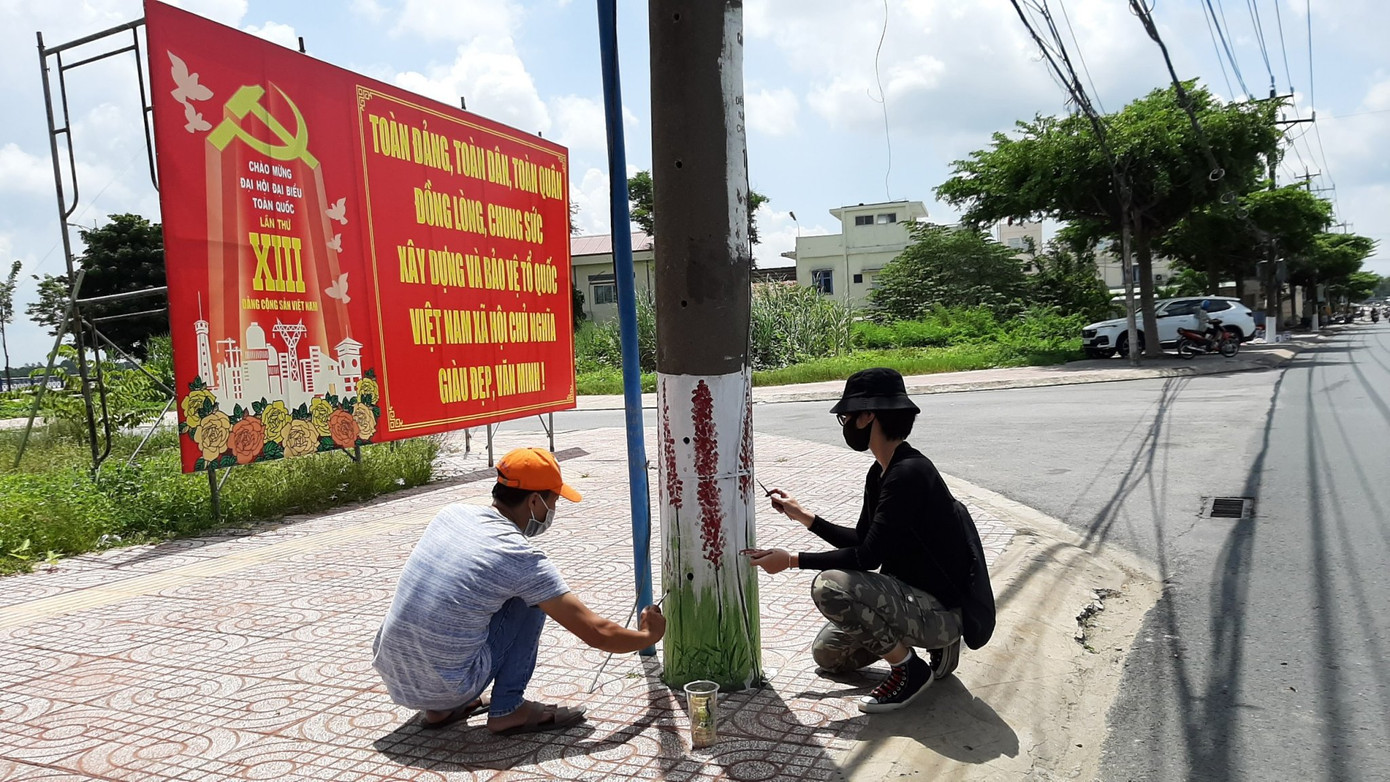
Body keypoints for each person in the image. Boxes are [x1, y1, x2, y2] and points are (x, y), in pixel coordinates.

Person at [373, 447, 666, 733]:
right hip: (449, 686)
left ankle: (439, 711)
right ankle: (509, 709)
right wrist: (648, 636)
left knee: (489, 594)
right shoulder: (518, 556)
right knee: (530, 599)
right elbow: (597, 633)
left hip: (394, 674)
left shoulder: (452, 514)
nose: (553, 511)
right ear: (535, 501)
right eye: (553, 502)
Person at [746, 368, 971, 713]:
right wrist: (804, 516)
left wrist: (791, 561)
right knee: (828, 655)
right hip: (908, 595)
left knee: (830, 587)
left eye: (847, 417)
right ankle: (920, 644)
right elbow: (865, 539)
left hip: (939, 608)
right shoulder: (880, 472)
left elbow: (867, 557)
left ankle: (909, 668)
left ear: (867, 417)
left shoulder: (909, 473)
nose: (846, 424)